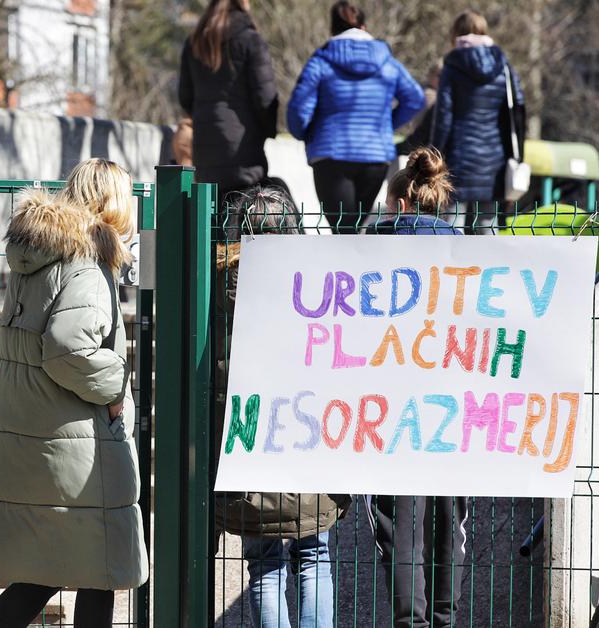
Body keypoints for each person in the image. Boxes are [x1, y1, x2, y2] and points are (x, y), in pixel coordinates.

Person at [0, 158, 148, 628]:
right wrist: (116, 385)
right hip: (76, 442)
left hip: (38, 435)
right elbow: (66, 349)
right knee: (99, 571)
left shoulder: (40, 254)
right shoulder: (86, 264)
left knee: (45, 573)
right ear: (112, 202)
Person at [214, 184, 350, 628]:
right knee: (315, 556)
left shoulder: (214, 297)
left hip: (248, 455)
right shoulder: (321, 291)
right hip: (311, 451)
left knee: (264, 563)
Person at [365, 147, 469, 628]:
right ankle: (445, 618)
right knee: (449, 518)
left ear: (402, 205)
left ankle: (411, 622)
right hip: (453, 403)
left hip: (390, 406)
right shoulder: (466, 251)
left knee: (400, 524)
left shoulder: (373, 247)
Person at [287, 1, 424, 235]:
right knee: (355, 228)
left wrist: (308, 134)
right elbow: (415, 97)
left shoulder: (321, 60)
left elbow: (298, 110)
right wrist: (385, 125)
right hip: (374, 156)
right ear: (364, 26)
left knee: (341, 229)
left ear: (333, 29)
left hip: (331, 154)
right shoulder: (387, 61)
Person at [178, 0, 279, 235]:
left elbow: (185, 97)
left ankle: (212, 268)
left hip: (205, 145)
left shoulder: (195, 42)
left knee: (212, 214)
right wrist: (266, 130)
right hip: (243, 145)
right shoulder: (250, 39)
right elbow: (265, 97)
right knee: (245, 214)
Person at [430, 9, 526, 234]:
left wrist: (435, 154)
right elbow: (517, 114)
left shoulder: (452, 67)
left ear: (456, 34)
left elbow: (443, 115)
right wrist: (518, 155)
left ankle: (449, 268)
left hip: (458, 156)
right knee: (488, 225)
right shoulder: (503, 66)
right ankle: (489, 269)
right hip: (495, 159)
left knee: (452, 225)